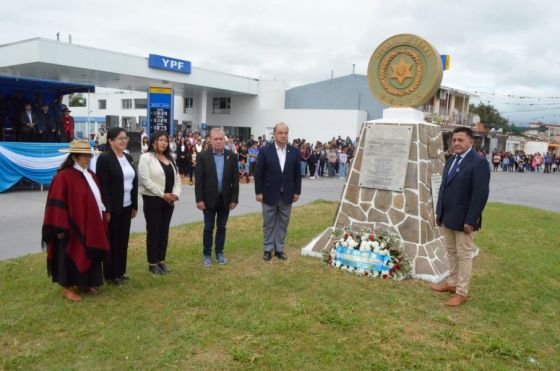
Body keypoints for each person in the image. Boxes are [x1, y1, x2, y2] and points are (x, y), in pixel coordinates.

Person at [42, 140, 109, 302]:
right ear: (74, 157)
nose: (88, 159)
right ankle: (68, 288)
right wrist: (59, 227)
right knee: (70, 254)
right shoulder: (63, 177)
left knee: (89, 252)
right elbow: (56, 202)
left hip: (91, 224)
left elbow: (97, 197)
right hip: (69, 227)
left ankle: (85, 283)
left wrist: (104, 212)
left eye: (89, 155)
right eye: (85, 156)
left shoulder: (90, 175)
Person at [432, 127, 490, 307]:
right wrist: (439, 213)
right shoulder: (450, 160)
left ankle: (462, 292)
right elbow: (443, 189)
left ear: (471, 142)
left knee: (464, 255)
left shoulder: (478, 163)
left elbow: (480, 195)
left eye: (460, 140)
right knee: (450, 252)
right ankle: (451, 283)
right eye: (454, 140)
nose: (456, 143)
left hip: (464, 220)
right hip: (448, 216)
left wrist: (471, 220)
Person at [95, 127, 138, 285]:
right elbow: (103, 186)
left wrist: (134, 205)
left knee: (123, 240)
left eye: (125, 138)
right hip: (113, 208)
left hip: (127, 205)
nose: (124, 141)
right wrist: (106, 209)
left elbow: (134, 182)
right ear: (110, 141)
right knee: (112, 241)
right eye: (120, 138)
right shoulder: (105, 159)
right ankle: (110, 273)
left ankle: (120, 271)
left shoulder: (128, 157)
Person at [254, 122, 302, 261]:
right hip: (268, 194)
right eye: (280, 133)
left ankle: (279, 249)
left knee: (283, 223)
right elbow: (258, 174)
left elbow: (297, 174)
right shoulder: (264, 151)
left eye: (285, 133)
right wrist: (258, 192)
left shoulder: (294, 151)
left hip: (287, 195)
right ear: (274, 134)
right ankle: (268, 249)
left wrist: (297, 192)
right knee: (268, 224)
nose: (283, 135)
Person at [138, 131, 182, 274]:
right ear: (153, 142)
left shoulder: (170, 158)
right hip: (153, 199)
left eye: (166, 140)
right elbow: (145, 180)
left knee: (164, 231)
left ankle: (161, 260)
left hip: (169, 201)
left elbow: (178, 179)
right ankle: (152, 263)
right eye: (160, 140)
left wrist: (175, 194)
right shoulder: (146, 158)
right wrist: (162, 194)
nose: (163, 143)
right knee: (154, 231)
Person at [195, 128, 239, 267]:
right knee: (208, 227)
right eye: (216, 139)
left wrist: (234, 199)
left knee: (222, 227)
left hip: (225, 199)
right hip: (208, 200)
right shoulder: (203, 156)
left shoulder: (231, 156)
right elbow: (199, 180)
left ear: (224, 140)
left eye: (221, 139)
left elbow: (235, 179)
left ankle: (219, 253)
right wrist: (199, 199)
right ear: (210, 140)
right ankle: (207, 255)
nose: (219, 141)